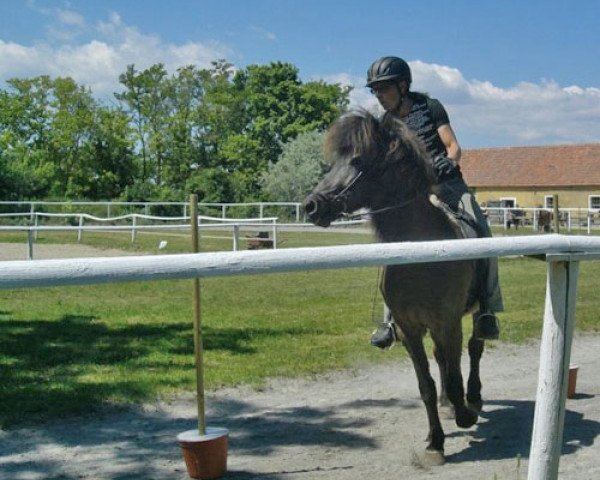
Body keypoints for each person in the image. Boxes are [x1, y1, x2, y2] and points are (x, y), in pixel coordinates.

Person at [366, 56, 503, 348]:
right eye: (374, 90)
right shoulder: (385, 123)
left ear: (403, 86)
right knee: (392, 245)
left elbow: (453, 146)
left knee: (482, 234)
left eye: (383, 88)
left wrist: (448, 162)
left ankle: (487, 310)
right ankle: (390, 320)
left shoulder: (430, 108)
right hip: (412, 194)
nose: (378, 95)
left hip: (448, 185)